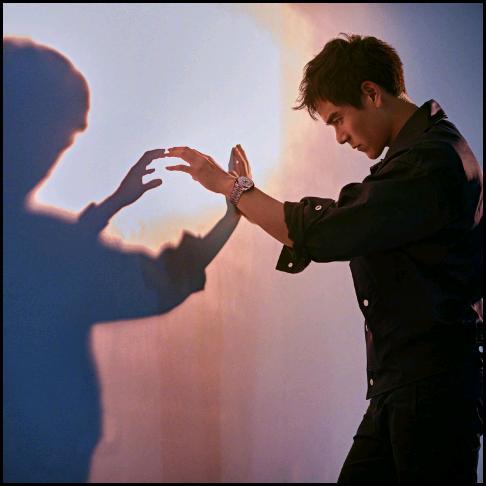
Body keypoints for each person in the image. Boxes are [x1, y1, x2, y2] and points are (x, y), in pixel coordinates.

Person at [162, 33, 484, 483]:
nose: (339, 137)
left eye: (338, 119)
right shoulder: (422, 155)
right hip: (406, 387)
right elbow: (343, 224)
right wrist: (244, 194)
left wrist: (230, 187)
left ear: (371, 93)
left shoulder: (429, 162)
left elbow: (330, 231)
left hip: (432, 392)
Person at [3, 37, 246, 483]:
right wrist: (234, 210)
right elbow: (160, 282)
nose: (54, 158)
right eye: (58, 139)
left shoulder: (34, 248)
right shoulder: (39, 250)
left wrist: (114, 203)